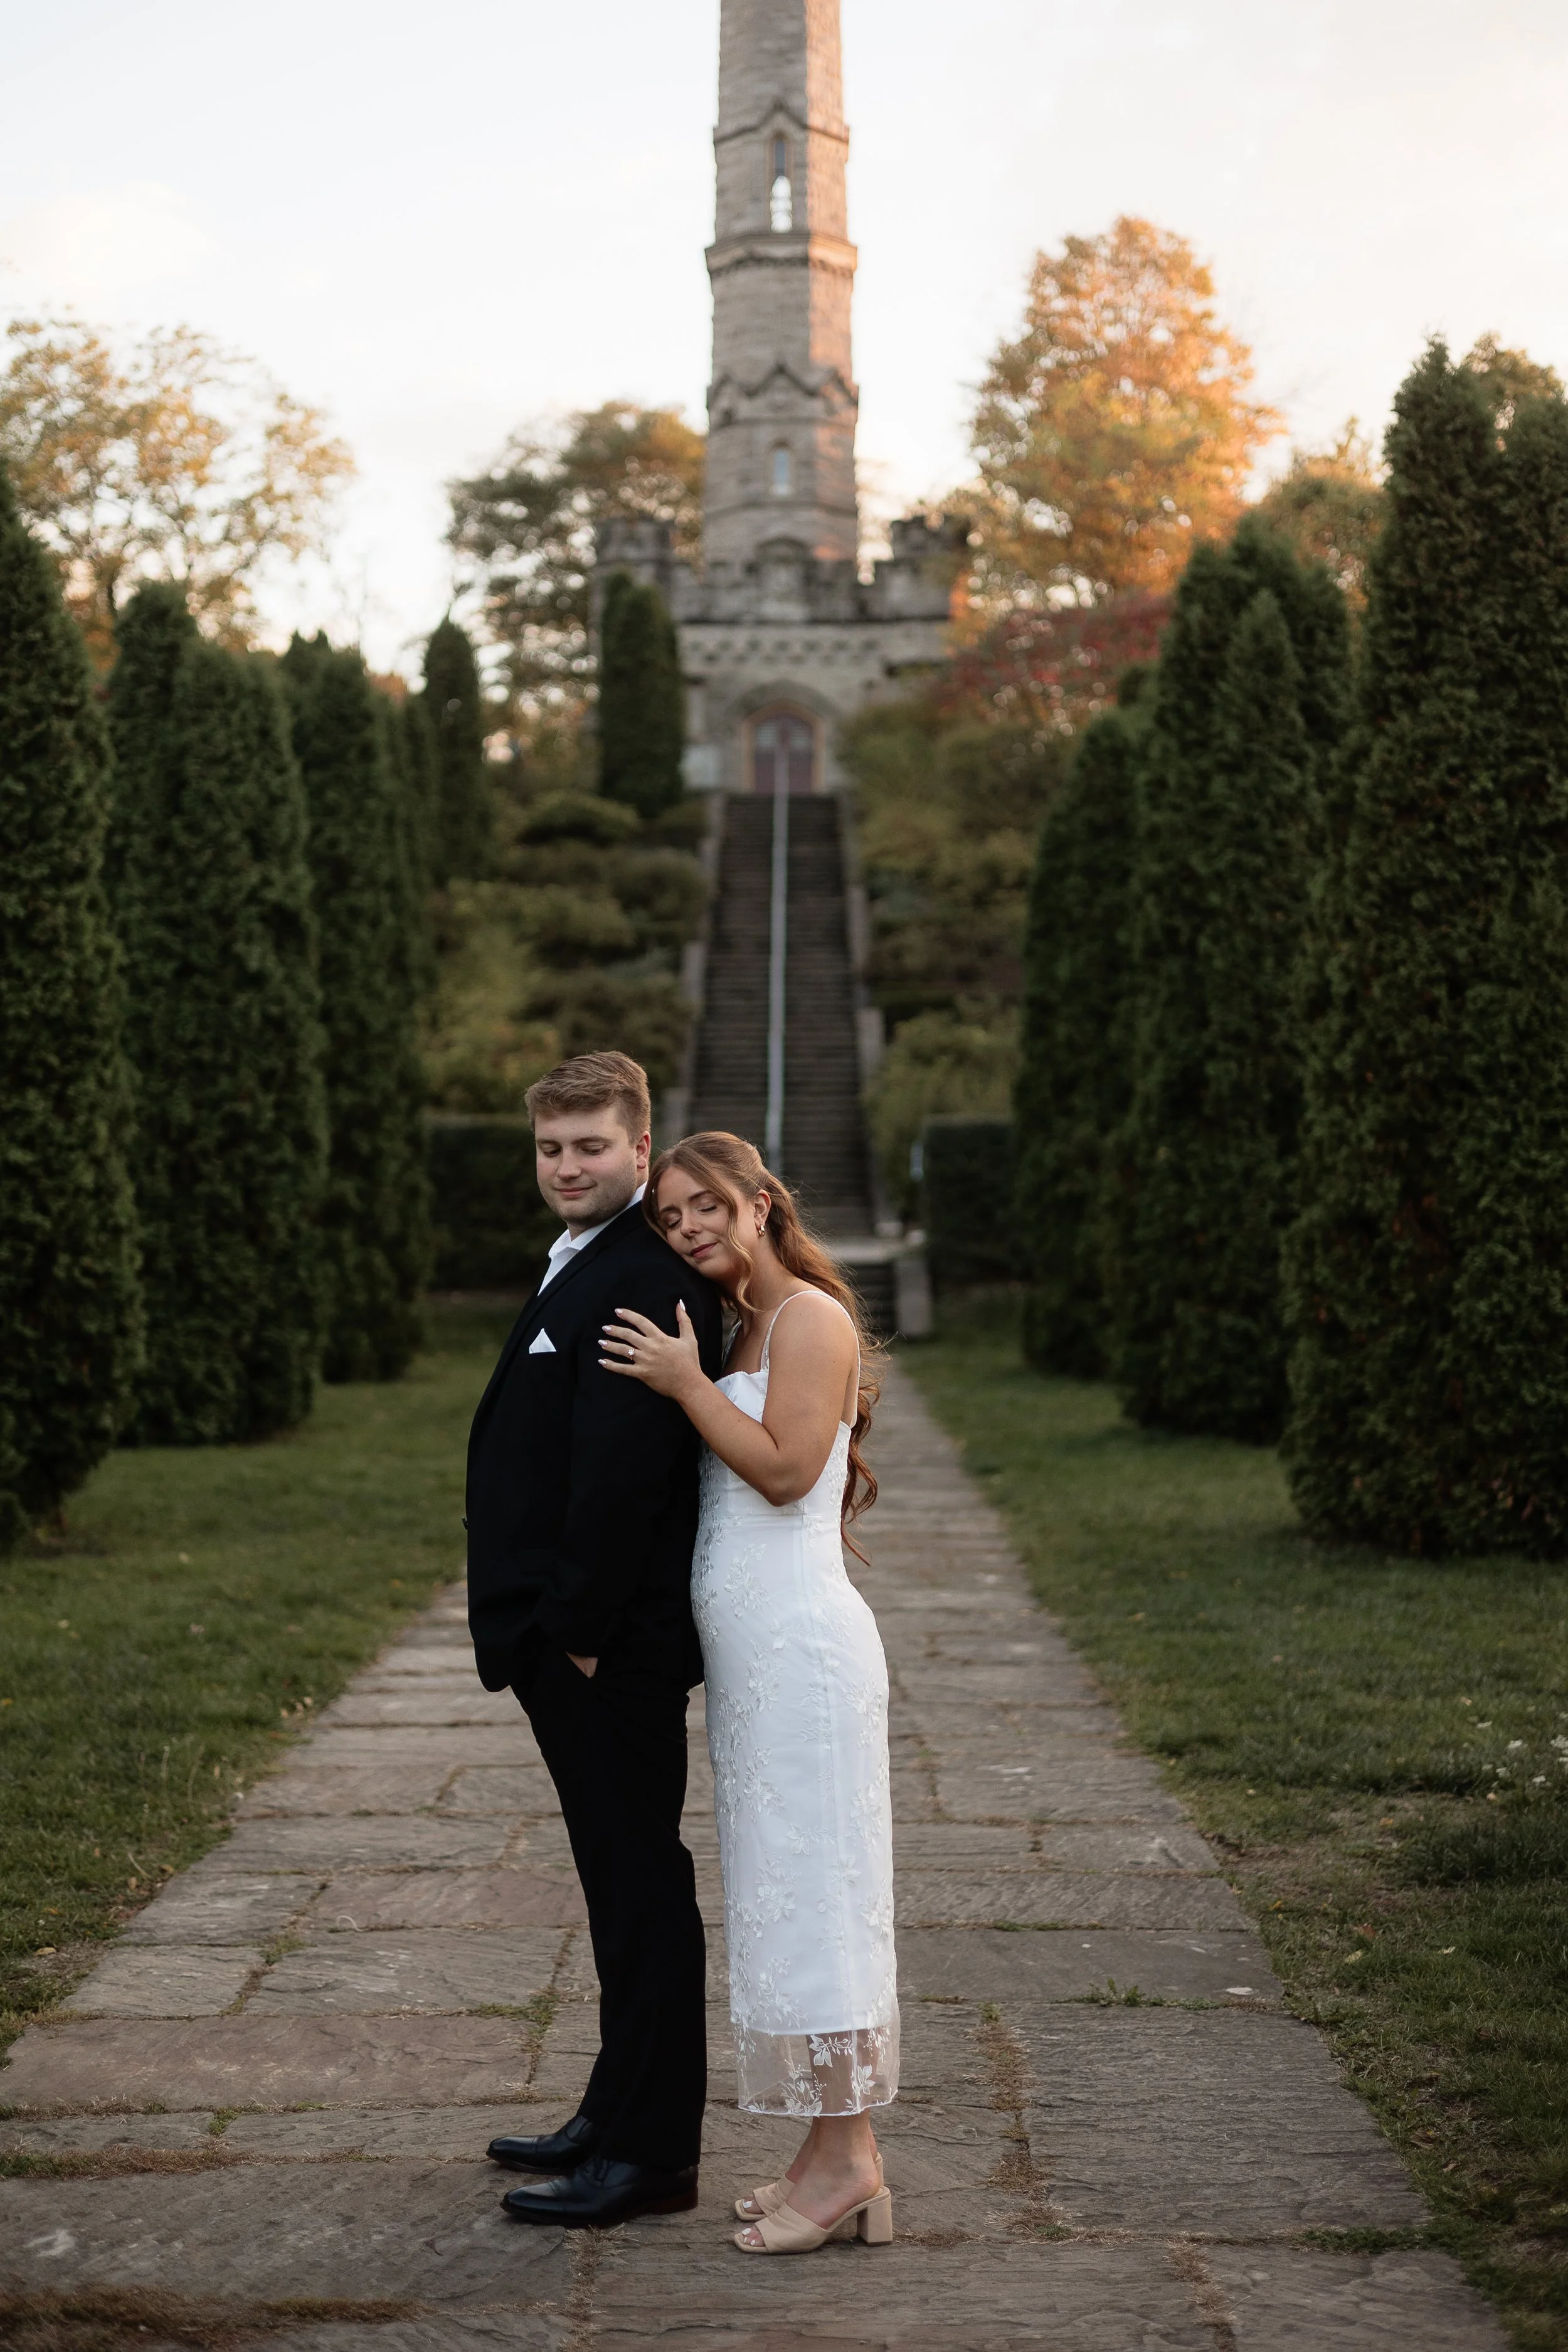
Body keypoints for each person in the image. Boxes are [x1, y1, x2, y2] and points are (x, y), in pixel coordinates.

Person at [601, 1130, 898, 2257]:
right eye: (669, 1216)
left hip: (805, 1657)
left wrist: (681, 1383)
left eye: (704, 1206)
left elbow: (781, 1469)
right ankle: (827, 2152)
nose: (686, 1228)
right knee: (784, 1892)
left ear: (761, 1201)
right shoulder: (742, 1325)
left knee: (819, 1899)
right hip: (753, 1665)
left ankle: (852, 2162)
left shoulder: (813, 1317)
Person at [464, 1052, 724, 2230]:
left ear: (639, 1147)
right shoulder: (589, 1257)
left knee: (641, 1890)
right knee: (614, 1882)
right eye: (550, 1148)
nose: (567, 1167)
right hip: (571, 1643)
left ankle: (655, 2153)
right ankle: (612, 2108)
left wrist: (569, 1633)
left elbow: (625, 1479)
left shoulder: (638, 1275)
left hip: (602, 1648)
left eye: (591, 1147)